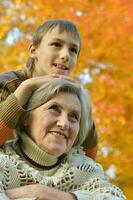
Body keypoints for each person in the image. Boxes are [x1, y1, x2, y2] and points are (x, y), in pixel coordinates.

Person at [0, 79, 125, 200]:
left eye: (74, 116)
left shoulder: (84, 168)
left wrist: (57, 196)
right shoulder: (3, 163)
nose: (64, 123)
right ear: (26, 117)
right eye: (54, 109)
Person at [0, 19, 98, 159]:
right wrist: (26, 88)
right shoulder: (7, 84)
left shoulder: (72, 98)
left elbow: (88, 158)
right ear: (33, 51)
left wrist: (85, 110)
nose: (65, 55)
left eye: (73, 50)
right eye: (56, 45)